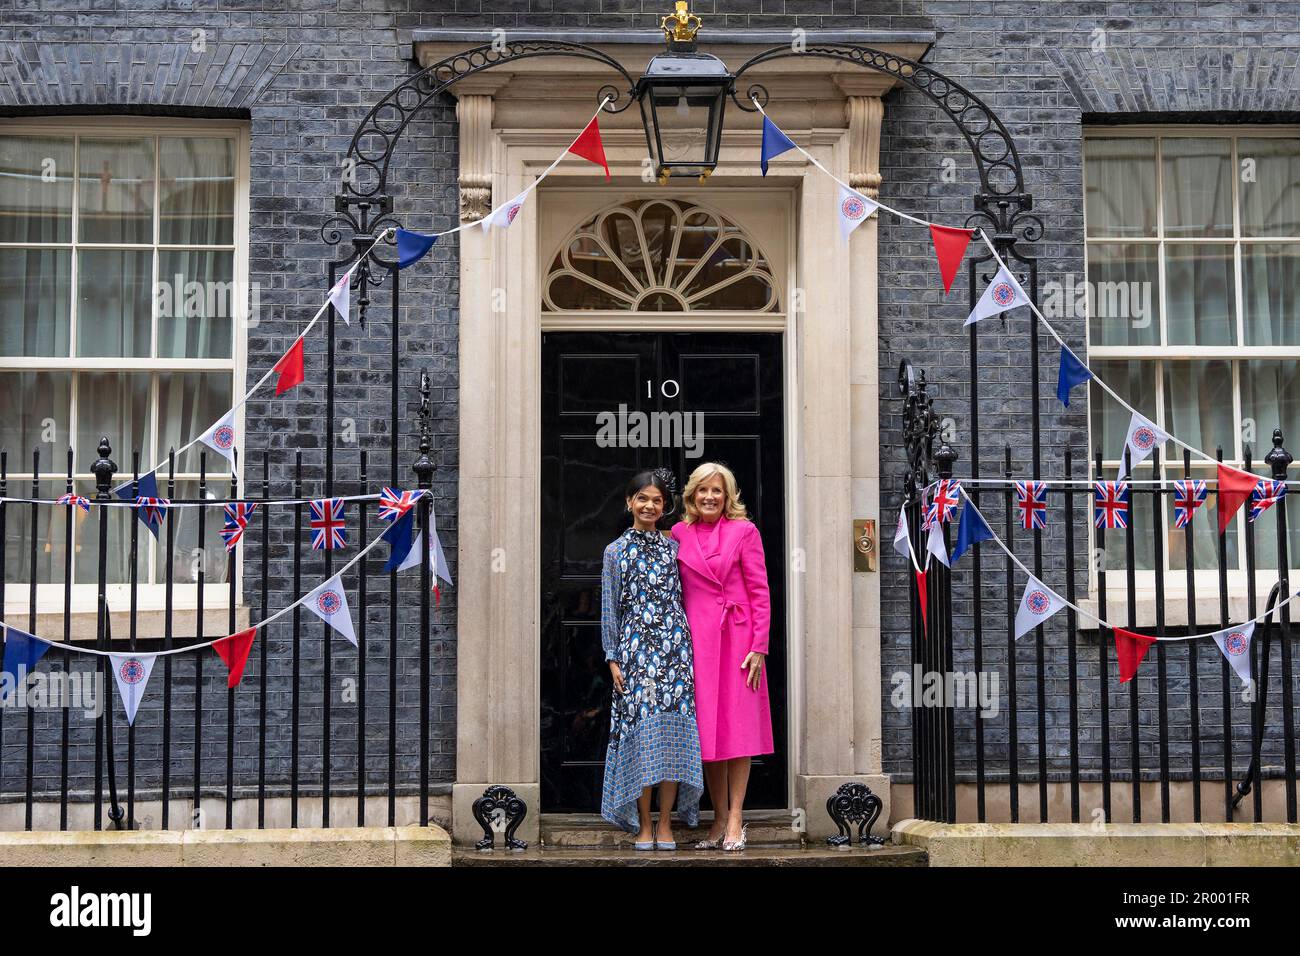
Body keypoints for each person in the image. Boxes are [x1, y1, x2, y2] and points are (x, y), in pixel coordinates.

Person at [670, 462, 773, 851]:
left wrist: (759, 647)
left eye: (717, 491)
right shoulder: (679, 533)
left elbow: (760, 591)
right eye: (703, 491)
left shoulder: (745, 531)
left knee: (738, 731)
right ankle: (716, 819)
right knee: (707, 734)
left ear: (728, 496)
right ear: (692, 496)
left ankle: (735, 819)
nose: (710, 497)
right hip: (696, 641)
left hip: (739, 641)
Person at [599, 468, 703, 850]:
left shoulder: (676, 547)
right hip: (636, 653)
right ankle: (643, 823)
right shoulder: (615, 551)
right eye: (642, 498)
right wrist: (613, 658)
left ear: (665, 506)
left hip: (676, 651)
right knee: (643, 739)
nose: (649, 505)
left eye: (656, 500)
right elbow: (609, 608)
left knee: (672, 740)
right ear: (629, 503)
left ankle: (665, 824)